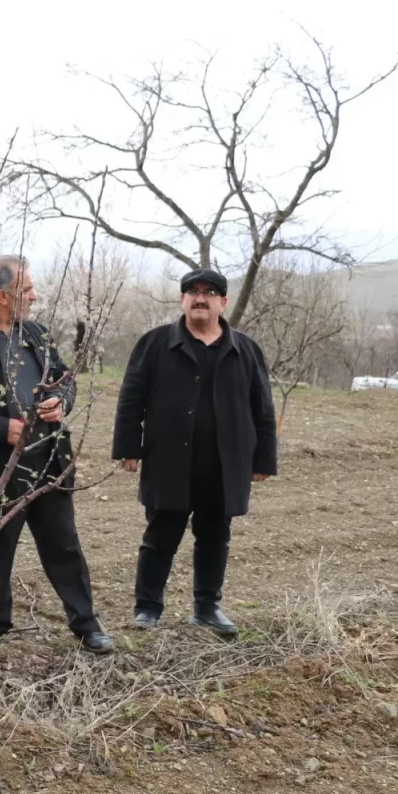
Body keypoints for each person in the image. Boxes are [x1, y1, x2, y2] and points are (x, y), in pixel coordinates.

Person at [0, 256, 114, 654]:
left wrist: (60, 400)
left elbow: (65, 379)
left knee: (64, 546)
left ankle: (86, 624)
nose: (34, 296)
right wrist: (2, 429)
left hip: (48, 461)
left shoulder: (36, 334)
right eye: (28, 289)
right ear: (4, 296)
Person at [111, 268, 278, 638]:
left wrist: (264, 459)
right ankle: (147, 609)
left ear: (223, 302)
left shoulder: (245, 350)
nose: (200, 298)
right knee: (160, 535)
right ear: (182, 299)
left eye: (209, 292)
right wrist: (128, 447)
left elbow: (262, 408)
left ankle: (206, 607)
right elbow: (131, 398)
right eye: (193, 291)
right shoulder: (155, 343)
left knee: (216, 536)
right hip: (169, 460)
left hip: (224, 464)